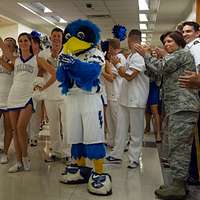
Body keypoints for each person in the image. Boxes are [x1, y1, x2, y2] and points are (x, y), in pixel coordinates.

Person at [134, 31, 200, 200]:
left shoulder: (181, 54)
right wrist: (148, 59)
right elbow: (156, 75)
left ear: (179, 42)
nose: (167, 44)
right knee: (175, 146)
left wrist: (146, 54)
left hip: (183, 107)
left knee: (180, 147)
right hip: (175, 108)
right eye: (165, 42)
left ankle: (178, 186)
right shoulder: (172, 57)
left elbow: (161, 67)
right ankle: (178, 183)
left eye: (170, 41)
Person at [0, 32, 56, 173]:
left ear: (30, 43)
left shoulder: (38, 59)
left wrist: (42, 87)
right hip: (13, 96)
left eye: (26, 40)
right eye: (21, 41)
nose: (23, 43)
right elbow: (2, 45)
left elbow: (54, 74)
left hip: (28, 97)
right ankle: (18, 162)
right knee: (15, 130)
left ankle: (25, 157)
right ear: (18, 43)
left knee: (20, 128)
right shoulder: (15, 59)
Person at [106, 29, 149, 169]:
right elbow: (124, 73)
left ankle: (134, 158)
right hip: (125, 98)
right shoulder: (131, 56)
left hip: (136, 99)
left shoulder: (139, 57)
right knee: (121, 129)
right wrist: (118, 65)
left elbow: (130, 76)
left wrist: (117, 64)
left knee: (136, 131)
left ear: (130, 40)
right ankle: (117, 154)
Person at [39, 27, 67, 161]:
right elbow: (42, 71)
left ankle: (67, 152)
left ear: (62, 38)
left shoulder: (68, 53)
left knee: (66, 124)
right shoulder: (43, 54)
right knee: (53, 125)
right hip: (49, 95)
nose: (56, 38)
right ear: (50, 38)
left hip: (65, 95)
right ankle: (56, 151)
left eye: (58, 36)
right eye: (54, 36)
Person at [179, 21, 200, 185]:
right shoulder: (188, 48)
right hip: (191, 96)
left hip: (197, 95)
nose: (185, 34)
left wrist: (195, 80)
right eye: (183, 32)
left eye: (188, 31)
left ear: (197, 33)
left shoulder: (197, 46)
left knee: (195, 138)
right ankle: (192, 172)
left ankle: (195, 174)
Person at [102, 38, 126, 148]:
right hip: (109, 94)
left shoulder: (119, 58)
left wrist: (101, 72)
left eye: (109, 48)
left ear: (111, 48)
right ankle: (111, 141)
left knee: (117, 121)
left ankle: (122, 143)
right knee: (110, 120)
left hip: (116, 94)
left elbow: (112, 77)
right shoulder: (112, 58)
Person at [0, 37, 17, 164]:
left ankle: (5, 153)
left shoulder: (16, 60)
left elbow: (10, 68)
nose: (7, 47)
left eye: (10, 45)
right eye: (6, 45)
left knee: (8, 128)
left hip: (8, 100)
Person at [144, 49, 161, 142]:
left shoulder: (158, 63)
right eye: (152, 53)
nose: (154, 55)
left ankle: (158, 133)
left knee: (155, 111)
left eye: (155, 53)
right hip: (146, 87)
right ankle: (147, 127)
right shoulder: (146, 62)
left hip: (154, 87)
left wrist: (146, 60)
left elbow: (156, 71)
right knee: (147, 111)